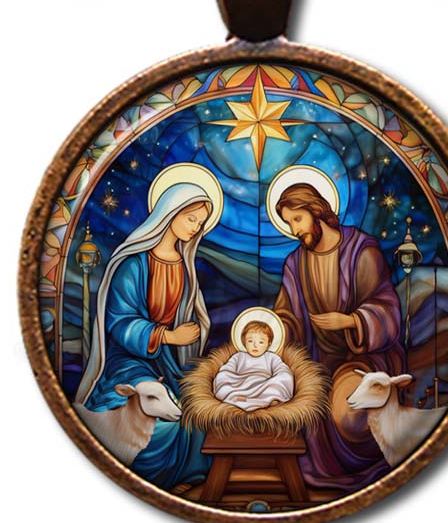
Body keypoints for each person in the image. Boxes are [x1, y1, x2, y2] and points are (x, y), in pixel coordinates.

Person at [74, 181, 214, 490]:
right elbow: (120, 322)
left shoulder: (185, 267)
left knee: (196, 409)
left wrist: (190, 334)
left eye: (201, 222)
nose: (196, 227)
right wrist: (168, 337)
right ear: (170, 213)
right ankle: (155, 482)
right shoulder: (134, 264)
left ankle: (187, 481)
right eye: (191, 218)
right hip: (129, 359)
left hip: (167, 360)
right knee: (162, 420)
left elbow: (192, 317)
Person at [272, 182, 406, 492]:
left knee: (346, 412)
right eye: (288, 223)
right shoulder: (295, 263)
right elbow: (286, 314)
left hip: (365, 356)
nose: (294, 230)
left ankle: (368, 476)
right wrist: (273, 329)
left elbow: (387, 310)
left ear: (316, 211)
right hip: (319, 359)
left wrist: (349, 321)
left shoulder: (361, 251)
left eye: (297, 219)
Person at [213, 320, 294, 412]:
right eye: (250, 341)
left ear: (269, 344)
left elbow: (282, 370)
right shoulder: (238, 357)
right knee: (222, 378)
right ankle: (240, 400)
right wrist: (229, 378)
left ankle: (268, 400)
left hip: (264, 387)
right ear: (244, 342)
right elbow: (227, 370)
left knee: (281, 380)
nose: (255, 345)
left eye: (261, 342)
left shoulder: (272, 358)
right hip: (241, 387)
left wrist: (278, 378)